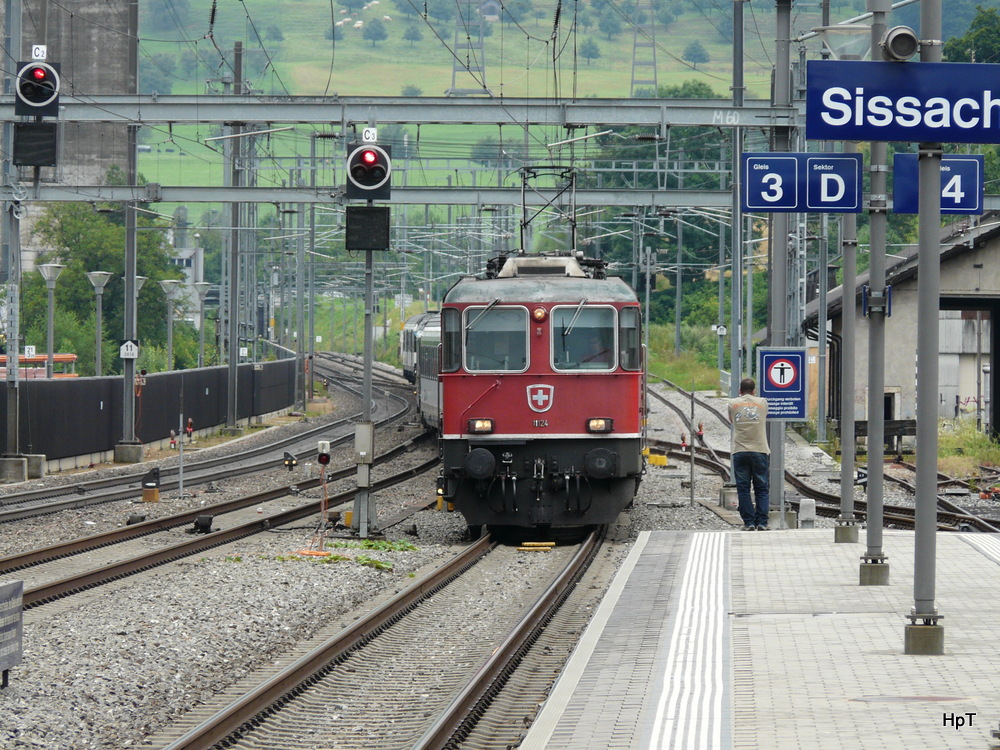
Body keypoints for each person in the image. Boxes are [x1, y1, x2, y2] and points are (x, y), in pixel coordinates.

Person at [727, 377, 770, 530]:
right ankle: (762, 523)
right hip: (760, 450)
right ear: (754, 391)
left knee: (743, 489)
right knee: (761, 488)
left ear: (739, 391)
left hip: (740, 451)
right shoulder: (762, 403)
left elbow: (732, 421)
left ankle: (749, 522)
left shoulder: (732, 404)